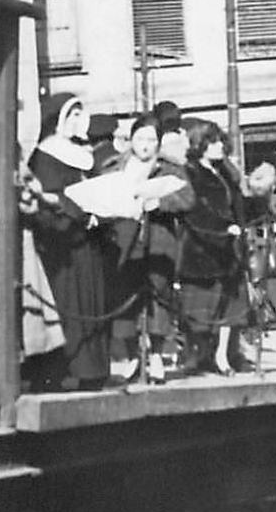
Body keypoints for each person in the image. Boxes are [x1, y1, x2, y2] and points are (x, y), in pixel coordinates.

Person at [24, 93, 115, 392]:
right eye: (72, 114)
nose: (79, 119)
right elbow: (49, 203)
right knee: (70, 306)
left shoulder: (83, 154)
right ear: (58, 121)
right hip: (63, 248)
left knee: (92, 304)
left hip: (88, 243)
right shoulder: (46, 156)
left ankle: (94, 369)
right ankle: (73, 369)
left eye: (80, 113)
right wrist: (77, 214)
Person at [107, 114, 195, 384]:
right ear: (130, 140)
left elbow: (187, 198)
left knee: (159, 297)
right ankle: (133, 356)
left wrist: (160, 203)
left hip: (159, 242)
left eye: (151, 139)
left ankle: (156, 356)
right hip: (125, 242)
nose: (145, 145)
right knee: (126, 297)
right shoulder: (114, 167)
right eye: (140, 138)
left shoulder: (170, 168)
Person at [176, 119, 261, 375]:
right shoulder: (190, 173)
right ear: (199, 144)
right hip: (203, 250)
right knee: (201, 310)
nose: (220, 145)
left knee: (230, 311)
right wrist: (223, 230)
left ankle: (222, 356)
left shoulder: (225, 172)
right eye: (213, 141)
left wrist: (260, 196)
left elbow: (240, 208)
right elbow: (194, 212)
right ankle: (199, 357)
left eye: (220, 140)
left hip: (229, 252)